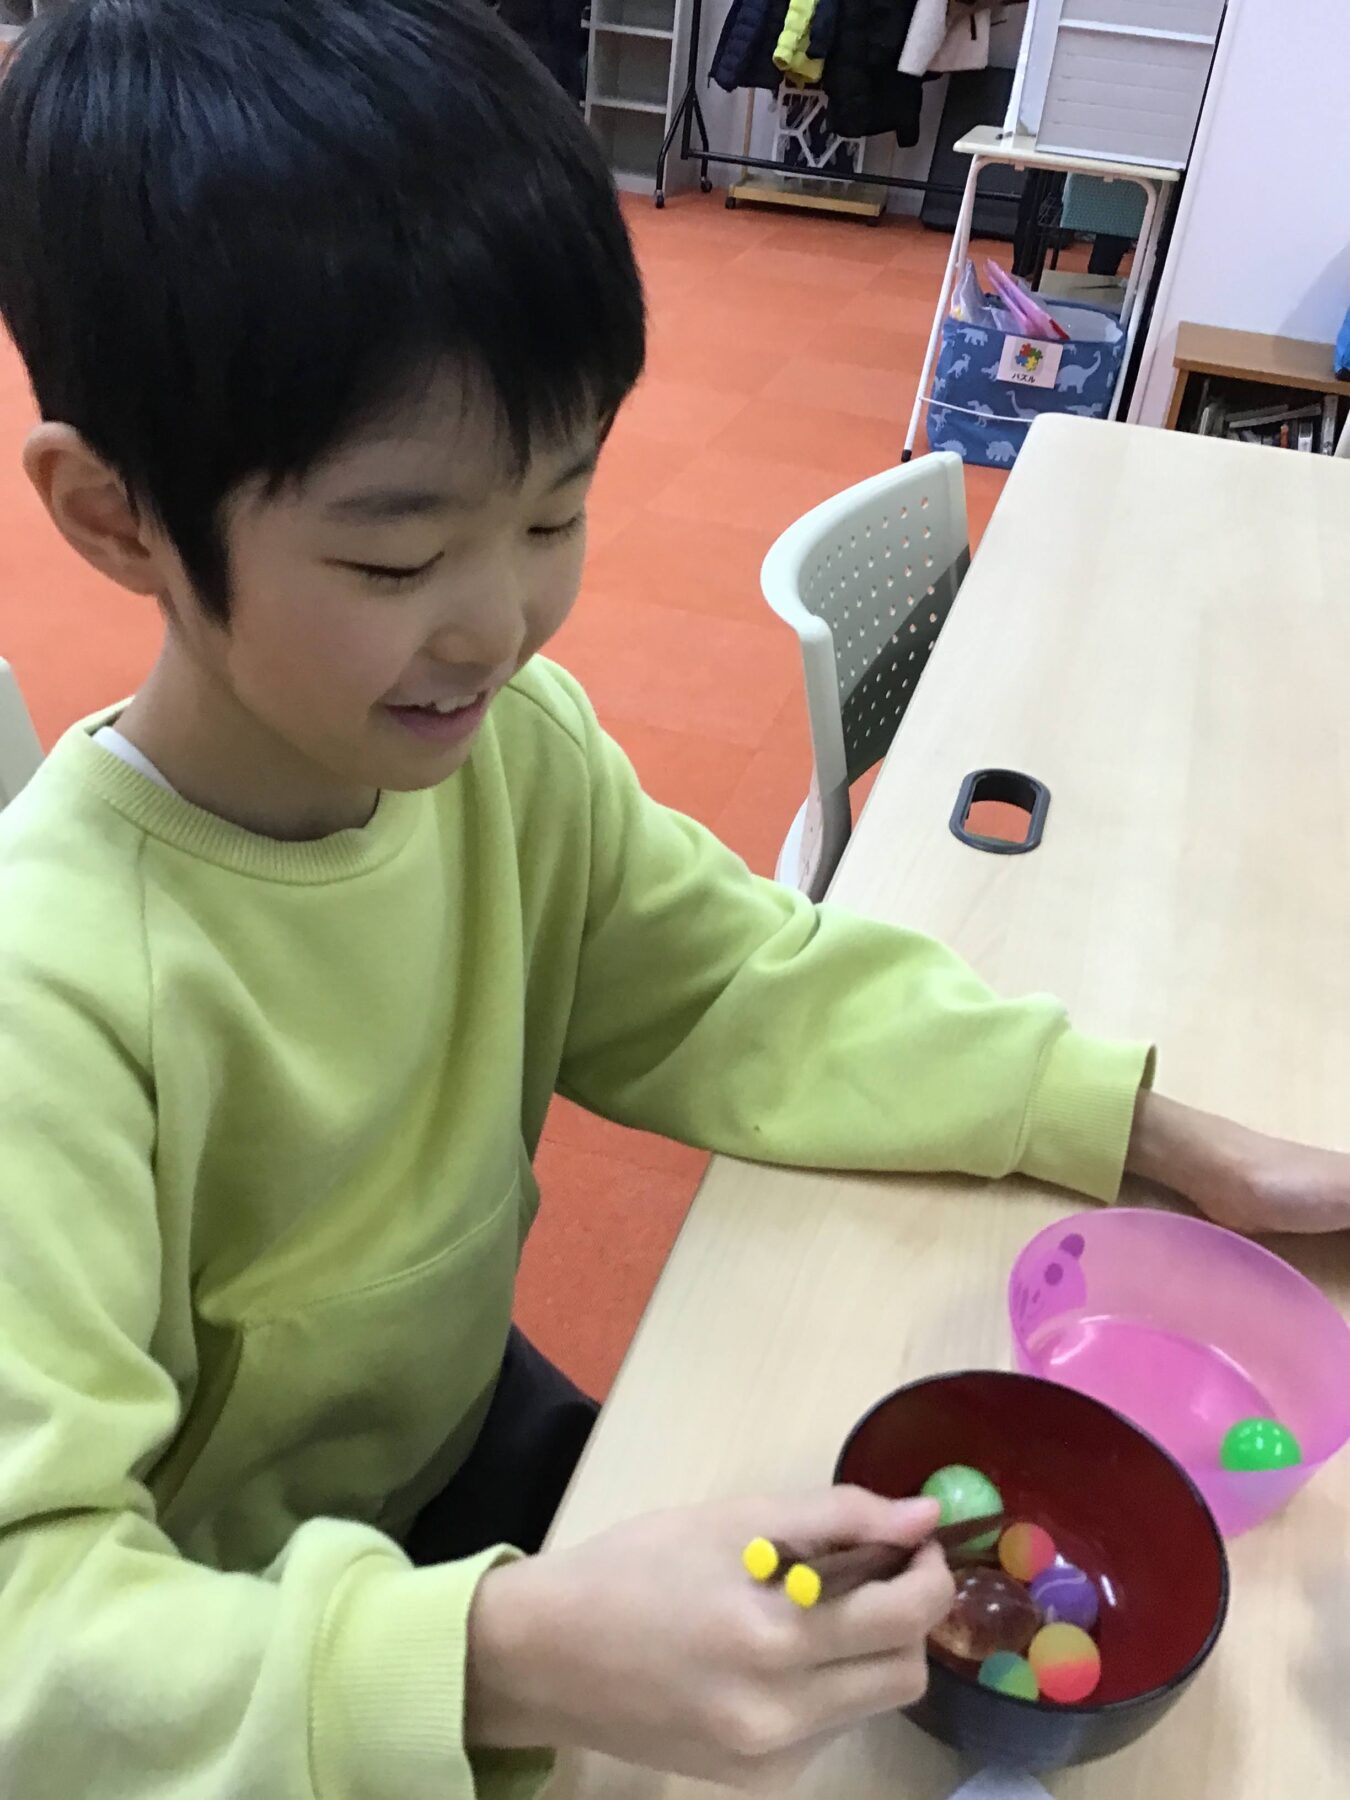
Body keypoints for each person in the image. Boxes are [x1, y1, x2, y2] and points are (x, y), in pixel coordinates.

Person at [0, 4, 1345, 1797]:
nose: (499, 625)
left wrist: (1145, 1129)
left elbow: (733, 991)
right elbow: (35, 1635)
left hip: (457, 1469)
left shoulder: (510, 753)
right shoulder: (52, 997)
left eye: (553, 516)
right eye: (398, 556)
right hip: (224, 1650)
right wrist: (497, 1656)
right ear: (114, 517)